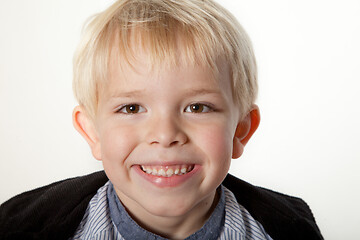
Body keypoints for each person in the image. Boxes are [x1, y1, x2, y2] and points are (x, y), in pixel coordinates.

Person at [0, 0, 323, 239]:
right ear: (92, 132)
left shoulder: (289, 229)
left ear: (241, 130)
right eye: (131, 108)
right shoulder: (22, 227)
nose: (165, 135)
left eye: (197, 107)